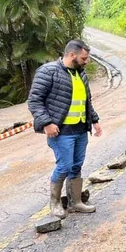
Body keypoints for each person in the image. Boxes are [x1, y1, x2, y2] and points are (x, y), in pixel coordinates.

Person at [28, 40, 102, 218]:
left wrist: (95, 120)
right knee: (64, 166)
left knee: (76, 166)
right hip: (61, 131)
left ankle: (75, 202)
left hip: (80, 129)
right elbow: (34, 100)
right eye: (84, 58)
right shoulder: (48, 72)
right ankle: (54, 203)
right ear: (71, 55)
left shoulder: (81, 74)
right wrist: (46, 123)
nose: (86, 61)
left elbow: (86, 101)